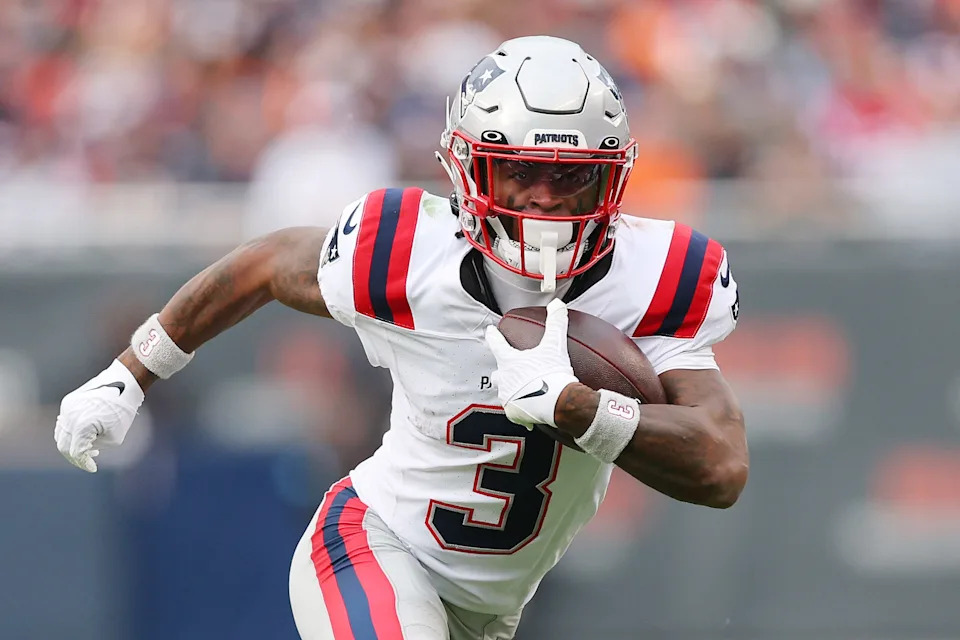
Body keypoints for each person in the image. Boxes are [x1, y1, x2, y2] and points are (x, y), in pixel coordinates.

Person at [54, 36, 748, 640]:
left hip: (489, 610)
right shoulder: (409, 252)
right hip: (374, 544)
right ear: (469, 168)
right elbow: (264, 264)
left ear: (611, 179)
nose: (542, 197)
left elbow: (720, 466)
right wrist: (130, 373)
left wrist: (580, 410)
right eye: (520, 170)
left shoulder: (656, 278)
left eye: (570, 177)